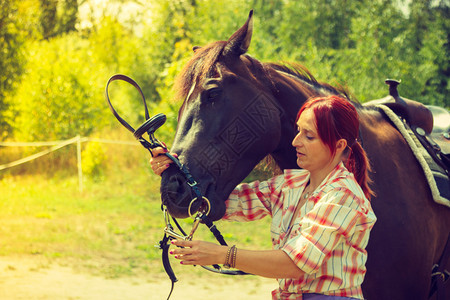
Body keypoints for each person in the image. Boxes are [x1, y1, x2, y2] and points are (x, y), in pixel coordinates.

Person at [150, 95, 377, 300]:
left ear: (339, 146)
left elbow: (295, 264)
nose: (296, 141)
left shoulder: (342, 196)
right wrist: (174, 169)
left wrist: (221, 254)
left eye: (309, 136)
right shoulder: (290, 185)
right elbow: (216, 200)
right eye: (298, 131)